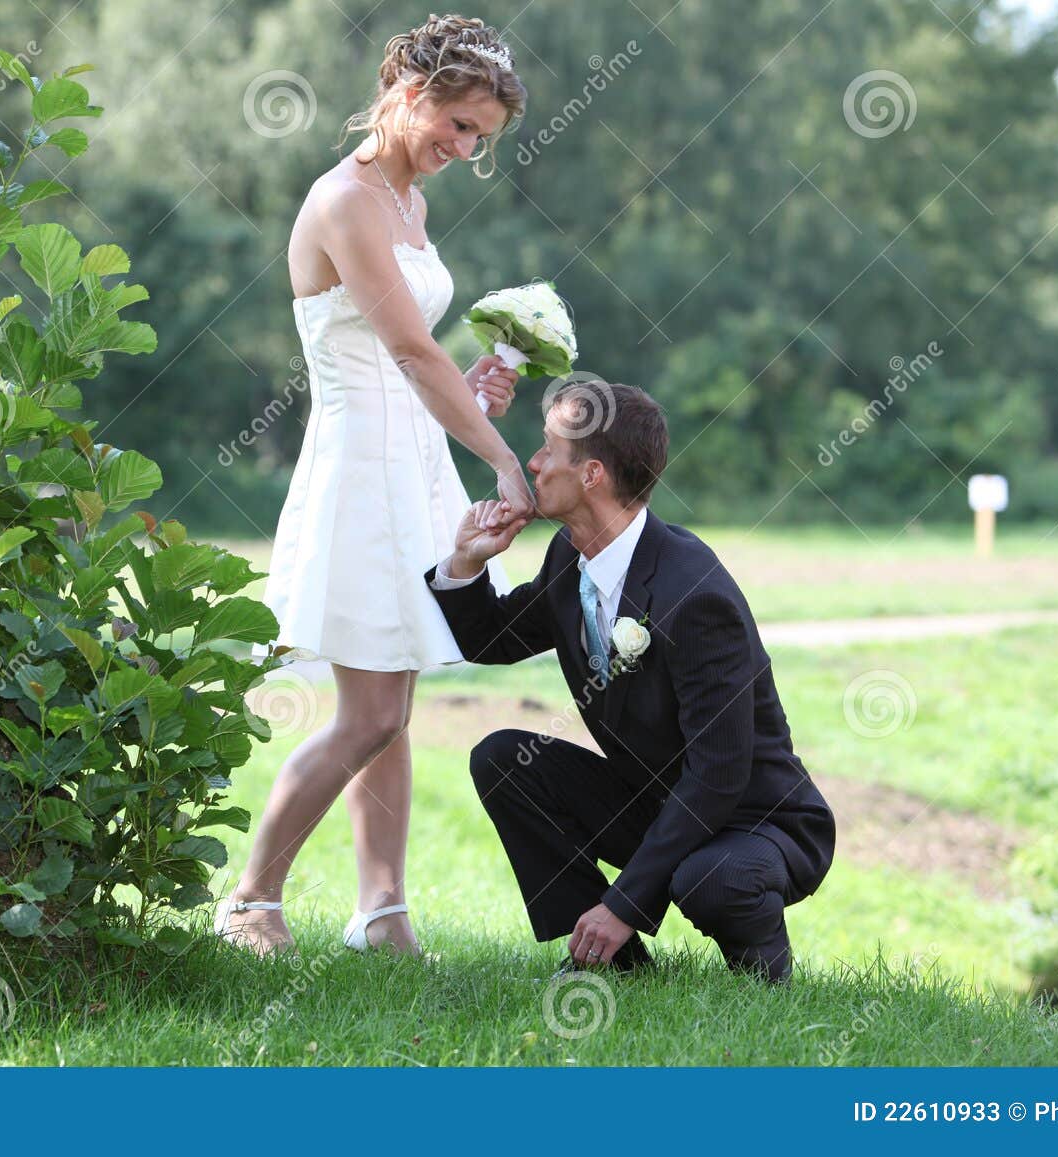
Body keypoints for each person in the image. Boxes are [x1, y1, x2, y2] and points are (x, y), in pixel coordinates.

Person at [220, 16, 534, 955]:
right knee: (369, 713)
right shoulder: (344, 201)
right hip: (359, 470)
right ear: (407, 92)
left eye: (480, 136)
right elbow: (403, 350)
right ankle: (250, 899)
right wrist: (502, 458)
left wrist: (470, 391)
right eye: (458, 124)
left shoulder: (409, 203)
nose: (465, 148)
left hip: (413, 463)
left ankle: (383, 911)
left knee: (396, 704)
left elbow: (419, 359)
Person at [425, 381, 836, 983]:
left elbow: (718, 774)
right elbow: (495, 641)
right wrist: (468, 561)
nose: (532, 463)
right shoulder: (570, 558)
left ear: (591, 474)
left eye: (548, 449)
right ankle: (616, 966)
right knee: (504, 761)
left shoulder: (692, 593)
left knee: (709, 879)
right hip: (659, 801)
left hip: (754, 820)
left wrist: (623, 904)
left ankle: (764, 980)